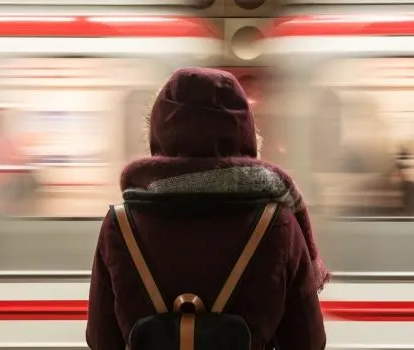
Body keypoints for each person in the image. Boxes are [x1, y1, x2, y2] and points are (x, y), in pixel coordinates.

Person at [86, 67, 329, 350]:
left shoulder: (120, 224)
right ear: (246, 134)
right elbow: (309, 342)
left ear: (159, 132)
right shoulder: (278, 223)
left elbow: (100, 339)